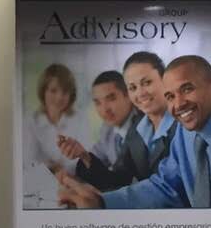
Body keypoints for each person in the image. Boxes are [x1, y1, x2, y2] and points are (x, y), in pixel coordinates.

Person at [56, 56, 211, 209]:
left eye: (187, 89)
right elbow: (165, 186)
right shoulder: (183, 132)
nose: (179, 103)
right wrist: (103, 202)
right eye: (170, 96)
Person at [55, 57, 174, 192]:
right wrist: (84, 155)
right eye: (133, 87)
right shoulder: (137, 130)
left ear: (165, 81)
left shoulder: (182, 126)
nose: (140, 93)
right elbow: (118, 178)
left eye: (147, 83)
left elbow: (168, 188)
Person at [21, 63, 79, 180]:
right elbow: (28, 162)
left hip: (74, 181)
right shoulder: (31, 122)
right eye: (53, 91)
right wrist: (52, 167)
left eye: (65, 92)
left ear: (71, 95)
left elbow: (84, 158)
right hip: (41, 182)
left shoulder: (79, 119)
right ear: (43, 92)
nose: (59, 97)